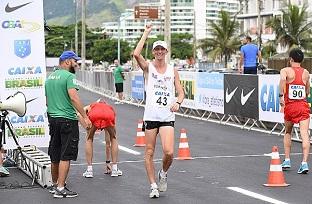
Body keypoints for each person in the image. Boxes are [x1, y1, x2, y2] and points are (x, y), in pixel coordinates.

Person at [133, 24, 185, 198]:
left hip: (167, 115)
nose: (160, 52)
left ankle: (163, 173)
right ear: (153, 52)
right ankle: (153, 185)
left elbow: (181, 91)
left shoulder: (173, 70)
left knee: (169, 152)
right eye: (157, 50)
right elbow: (135, 54)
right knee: (149, 151)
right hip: (151, 116)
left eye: (162, 49)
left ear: (166, 51)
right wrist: (146, 33)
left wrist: (178, 102)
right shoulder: (148, 67)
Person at [45, 50, 92, 198]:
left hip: (53, 120)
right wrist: (85, 117)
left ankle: (54, 185)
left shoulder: (49, 77)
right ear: (67, 61)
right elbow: (73, 97)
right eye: (75, 61)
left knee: (55, 154)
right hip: (67, 120)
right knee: (66, 155)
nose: (76, 64)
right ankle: (60, 188)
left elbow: (47, 101)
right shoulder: (69, 76)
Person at [279, 48, 310, 174]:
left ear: (290, 59)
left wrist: (281, 97)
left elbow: (282, 81)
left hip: (290, 107)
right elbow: (307, 91)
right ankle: (304, 163)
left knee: (288, 131)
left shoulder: (285, 70)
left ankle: (287, 160)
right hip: (302, 106)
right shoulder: (306, 72)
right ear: (301, 60)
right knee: (304, 133)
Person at [79, 100, 122, 178]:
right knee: (113, 138)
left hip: (94, 115)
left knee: (89, 139)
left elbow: (78, 115)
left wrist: (87, 128)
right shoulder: (109, 108)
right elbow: (108, 143)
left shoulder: (92, 105)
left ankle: (89, 170)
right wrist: (107, 162)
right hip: (109, 115)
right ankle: (115, 169)